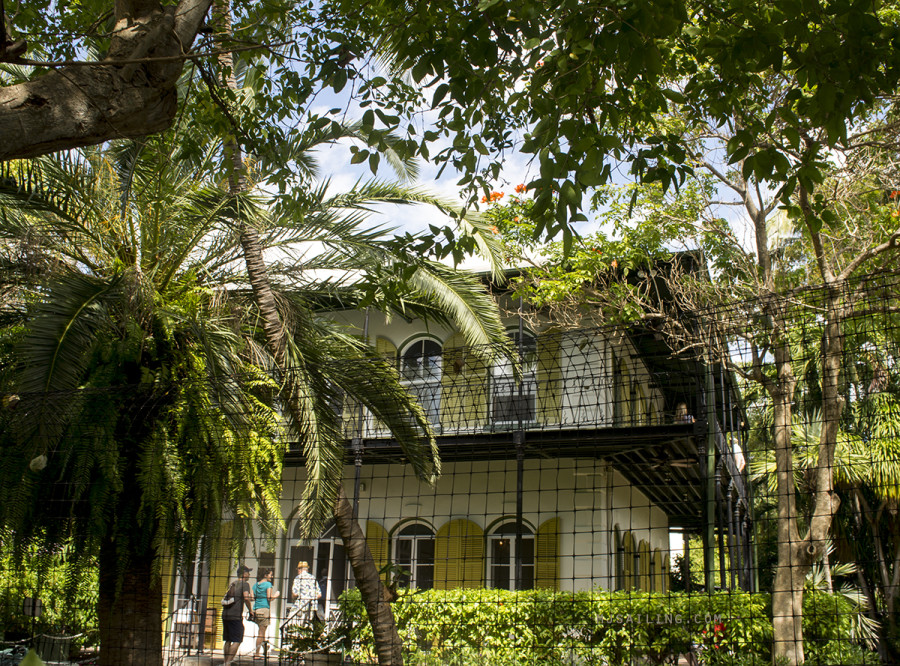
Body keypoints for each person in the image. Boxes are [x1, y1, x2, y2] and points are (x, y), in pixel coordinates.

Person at [222, 565, 254, 666]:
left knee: (228, 639)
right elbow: (246, 597)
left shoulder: (233, 583)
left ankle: (225, 661)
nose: (249, 574)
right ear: (244, 574)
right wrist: (251, 610)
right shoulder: (245, 584)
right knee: (237, 639)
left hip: (225, 614)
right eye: (248, 572)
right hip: (235, 616)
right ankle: (228, 663)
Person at [252, 568, 280, 657]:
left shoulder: (255, 585)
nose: (271, 576)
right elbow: (269, 598)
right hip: (264, 610)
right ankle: (257, 654)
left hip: (256, 609)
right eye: (270, 575)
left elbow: (252, 597)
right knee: (261, 633)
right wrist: (276, 595)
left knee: (262, 631)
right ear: (265, 575)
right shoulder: (268, 584)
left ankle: (264, 648)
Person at [289, 561, 321, 625]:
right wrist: (311, 598)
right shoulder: (313, 578)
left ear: (300, 569)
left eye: (298, 569)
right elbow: (319, 595)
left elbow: (295, 593)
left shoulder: (298, 578)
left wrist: (293, 596)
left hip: (301, 606)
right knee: (308, 625)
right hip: (311, 607)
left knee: (292, 623)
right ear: (307, 569)